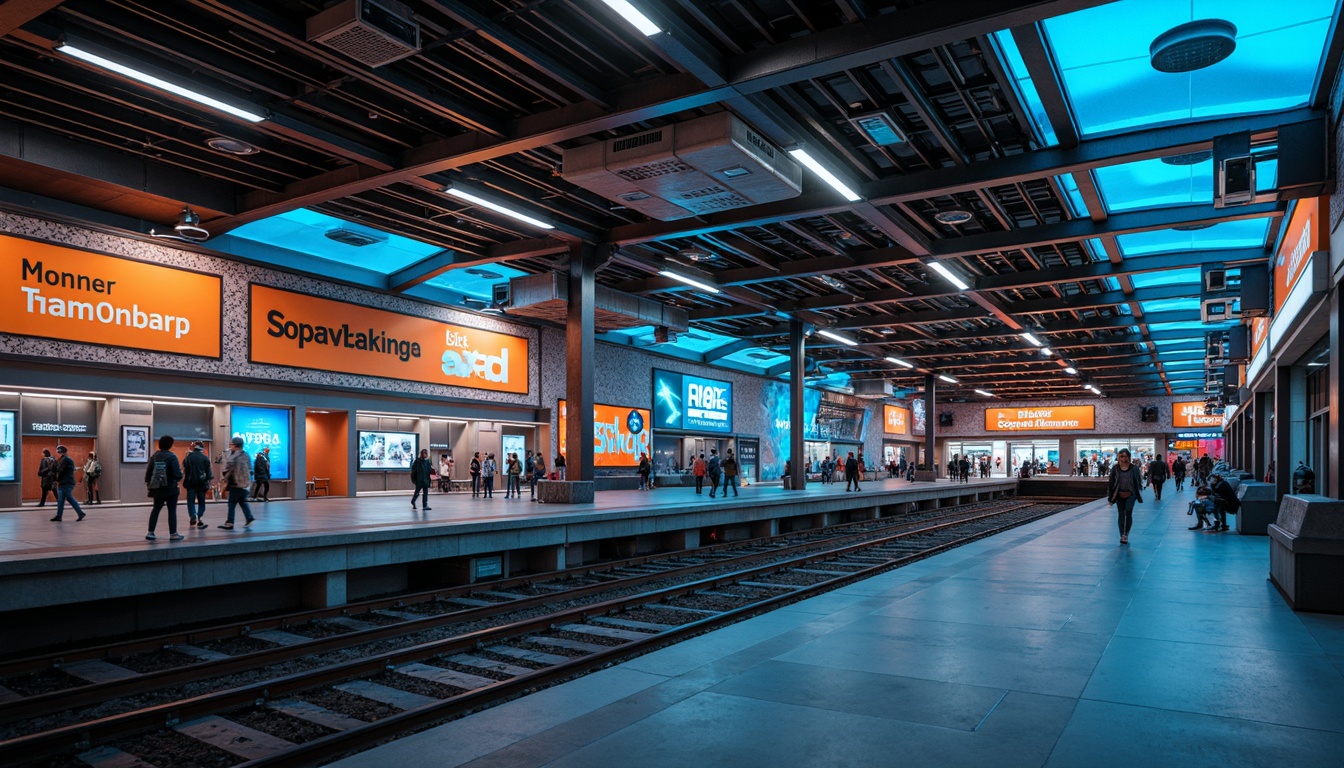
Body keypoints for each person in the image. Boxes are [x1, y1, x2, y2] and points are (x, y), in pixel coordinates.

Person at [144, 435, 184, 541]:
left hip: (157, 488)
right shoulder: (172, 457)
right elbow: (177, 474)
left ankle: (151, 532)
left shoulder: (155, 456)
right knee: (171, 510)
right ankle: (173, 533)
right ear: (170, 445)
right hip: (171, 488)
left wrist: (150, 485)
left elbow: (148, 473)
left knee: (156, 509)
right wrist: (180, 475)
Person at [1107, 447, 1143, 545]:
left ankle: (1126, 533)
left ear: (1129, 457)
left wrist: (1138, 493)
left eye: (1125, 456)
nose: (1123, 458)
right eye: (1121, 456)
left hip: (1131, 494)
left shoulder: (1134, 468)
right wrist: (1110, 497)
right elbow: (1111, 483)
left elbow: (1138, 481)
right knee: (1121, 514)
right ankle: (1122, 534)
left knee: (1128, 511)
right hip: (1119, 494)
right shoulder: (1115, 468)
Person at [220, 436, 255, 529]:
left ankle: (230, 522)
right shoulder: (246, 455)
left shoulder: (234, 455)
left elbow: (227, 468)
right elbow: (250, 468)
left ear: (235, 445)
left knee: (231, 503)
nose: (230, 446)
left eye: (231, 444)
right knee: (242, 501)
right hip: (245, 484)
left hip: (235, 484)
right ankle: (249, 517)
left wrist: (224, 477)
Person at [48, 445, 86, 522]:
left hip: (66, 483)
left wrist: (57, 479)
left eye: (58, 452)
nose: (56, 454)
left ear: (61, 452)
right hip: (66, 482)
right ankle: (80, 513)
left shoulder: (66, 460)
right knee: (67, 499)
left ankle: (60, 516)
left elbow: (61, 471)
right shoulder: (64, 460)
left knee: (61, 499)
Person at [183, 441, 212, 529]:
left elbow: (185, 469)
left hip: (190, 483)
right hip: (202, 483)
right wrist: (208, 482)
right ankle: (200, 518)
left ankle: (192, 515)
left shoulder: (188, 457)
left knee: (190, 501)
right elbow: (208, 472)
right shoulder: (205, 458)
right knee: (201, 501)